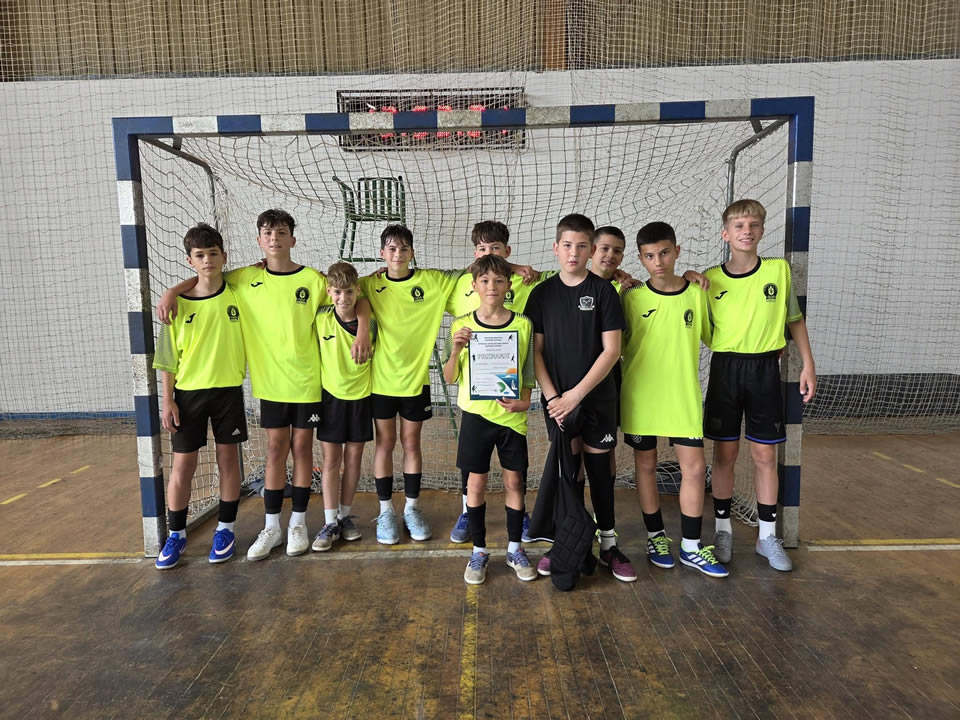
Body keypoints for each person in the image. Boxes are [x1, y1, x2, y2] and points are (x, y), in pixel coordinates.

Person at [157, 210, 371, 561]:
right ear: (259, 240)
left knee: (302, 450)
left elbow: (352, 296)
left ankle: (298, 524)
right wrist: (171, 291)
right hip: (269, 384)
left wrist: (362, 329)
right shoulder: (245, 278)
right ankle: (272, 526)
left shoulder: (313, 280)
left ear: (292, 239)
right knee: (275, 451)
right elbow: (205, 277)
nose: (274, 238)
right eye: (268, 233)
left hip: (307, 382)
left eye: (281, 232)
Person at [703, 199, 816, 571]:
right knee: (724, 454)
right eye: (739, 226)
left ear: (762, 230)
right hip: (726, 369)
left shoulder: (778, 271)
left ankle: (767, 536)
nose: (746, 231)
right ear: (726, 234)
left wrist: (808, 364)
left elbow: (794, 320)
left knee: (765, 455)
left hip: (766, 369)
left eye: (753, 225)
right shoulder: (709, 279)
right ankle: (723, 531)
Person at [525, 213, 637, 583]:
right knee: (568, 473)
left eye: (582, 246)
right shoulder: (541, 294)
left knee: (600, 473)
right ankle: (567, 542)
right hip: (557, 402)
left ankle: (608, 544)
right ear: (556, 248)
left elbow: (611, 351)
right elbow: (536, 352)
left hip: (596, 399)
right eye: (567, 245)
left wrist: (575, 396)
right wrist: (554, 398)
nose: (574, 253)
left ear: (591, 251)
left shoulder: (603, 292)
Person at [621, 221, 727, 578]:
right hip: (642, 397)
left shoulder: (697, 293)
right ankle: (656, 538)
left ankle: (691, 546)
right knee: (646, 467)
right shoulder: (631, 297)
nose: (658, 261)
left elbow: (716, 338)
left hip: (683, 397)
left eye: (665, 253)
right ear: (641, 259)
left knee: (694, 469)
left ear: (677, 251)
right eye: (650, 256)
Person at [358, 224, 463, 544]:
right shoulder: (370, 284)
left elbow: (473, 272)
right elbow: (339, 288)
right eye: (391, 249)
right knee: (385, 443)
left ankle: (412, 509)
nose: (398, 254)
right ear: (382, 254)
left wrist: (513, 266)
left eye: (403, 249)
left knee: (412, 443)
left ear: (412, 252)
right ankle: (386, 511)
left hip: (416, 381)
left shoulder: (431, 281)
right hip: (381, 382)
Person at [152, 223, 246, 569]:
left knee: (228, 461)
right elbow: (166, 360)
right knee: (183, 465)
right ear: (190, 260)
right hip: (187, 395)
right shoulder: (175, 307)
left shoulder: (237, 293)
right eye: (200, 255)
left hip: (228, 392)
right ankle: (176, 534)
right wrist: (168, 400)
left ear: (224, 256)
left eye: (213, 253)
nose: (207, 260)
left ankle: (226, 529)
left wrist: (172, 288)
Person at [443, 254, 538, 584]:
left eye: (498, 280)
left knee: (514, 483)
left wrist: (524, 402)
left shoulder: (523, 324)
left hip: (511, 419)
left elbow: (528, 372)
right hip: (476, 416)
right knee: (476, 484)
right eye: (485, 281)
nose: (492, 286)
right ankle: (479, 551)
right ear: (474, 286)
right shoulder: (461, 325)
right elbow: (450, 377)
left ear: (509, 285)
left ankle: (514, 549)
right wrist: (456, 350)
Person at [311, 262, 376, 551]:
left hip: (361, 397)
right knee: (330, 461)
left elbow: (365, 305)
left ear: (357, 291)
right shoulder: (321, 318)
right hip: (330, 398)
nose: (343, 298)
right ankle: (329, 521)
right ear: (329, 292)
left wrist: (363, 327)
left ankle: (345, 516)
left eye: (349, 292)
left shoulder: (371, 321)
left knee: (353, 459)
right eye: (337, 292)